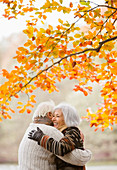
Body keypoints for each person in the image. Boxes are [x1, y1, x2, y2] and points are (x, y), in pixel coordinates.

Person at [18, 100, 91, 170]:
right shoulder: (49, 130)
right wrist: (88, 154)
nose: (53, 119)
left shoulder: (30, 128)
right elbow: (78, 159)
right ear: (49, 114)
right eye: (53, 115)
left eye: (57, 116)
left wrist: (41, 138)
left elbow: (63, 149)